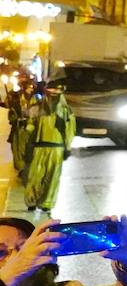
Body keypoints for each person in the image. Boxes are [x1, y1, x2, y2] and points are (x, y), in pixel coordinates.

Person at [24, 82, 75, 214]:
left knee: (52, 177)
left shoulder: (65, 111)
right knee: (35, 176)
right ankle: (32, 201)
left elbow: (70, 130)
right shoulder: (37, 108)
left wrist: (68, 148)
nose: (53, 98)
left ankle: (47, 203)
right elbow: (30, 126)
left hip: (57, 148)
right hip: (40, 147)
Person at [5, 78, 38, 180]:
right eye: (29, 87)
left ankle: (28, 168)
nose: (30, 90)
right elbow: (10, 111)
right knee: (18, 149)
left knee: (29, 149)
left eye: (32, 87)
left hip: (30, 129)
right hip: (19, 129)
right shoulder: (16, 98)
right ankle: (22, 169)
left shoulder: (36, 99)